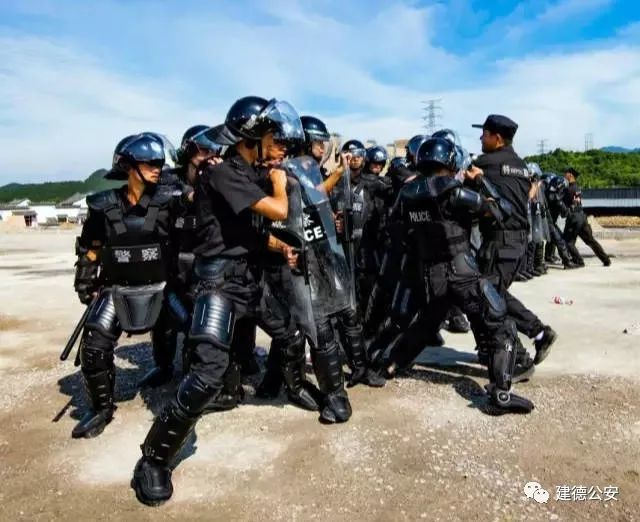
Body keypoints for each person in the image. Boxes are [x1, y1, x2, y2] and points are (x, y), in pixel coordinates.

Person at [131, 96, 304, 506]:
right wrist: (281, 186)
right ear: (251, 138)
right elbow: (278, 210)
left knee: (291, 334)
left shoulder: (242, 172)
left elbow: (241, 231)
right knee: (207, 374)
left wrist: (279, 247)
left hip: (248, 280)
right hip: (219, 285)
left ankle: (278, 386)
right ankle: (153, 460)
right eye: (275, 140)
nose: (282, 150)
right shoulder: (225, 173)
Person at [382, 136, 534, 413]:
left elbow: (394, 230)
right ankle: (501, 393)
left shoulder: (407, 194)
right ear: (450, 162)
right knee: (502, 325)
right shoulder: (455, 192)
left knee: (425, 325)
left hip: (430, 276)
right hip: (461, 273)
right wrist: (481, 182)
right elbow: (503, 212)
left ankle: (390, 366)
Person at [72, 132, 182, 438]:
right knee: (94, 346)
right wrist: (85, 284)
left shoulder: (169, 203)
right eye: (149, 162)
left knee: (195, 331)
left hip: (162, 286)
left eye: (159, 162)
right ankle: (101, 409)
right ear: (127, 165)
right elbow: (90, 250)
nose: (157, 167)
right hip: (117, 288)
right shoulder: (103, 207)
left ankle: (176, 376)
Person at [469, 115, 556, 367]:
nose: (481, 138)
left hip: (500, 240)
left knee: (490, 297)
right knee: (493, 293)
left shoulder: (484, 163)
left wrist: (472, 177)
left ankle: (521, 351)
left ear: (497, 138)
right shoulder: (520, 165)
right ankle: (529, 338)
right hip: (517, 242)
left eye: (484, 134)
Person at [562, 167, 611, 267]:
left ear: (570, 175)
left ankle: (579, 261)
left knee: (568, 242)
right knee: (591, 241)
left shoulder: (568, 189)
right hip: (582, 217)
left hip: (574, 218)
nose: (564, 175)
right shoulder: (577, 188)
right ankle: (605, 259)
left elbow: (564, 204)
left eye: (565, 173)